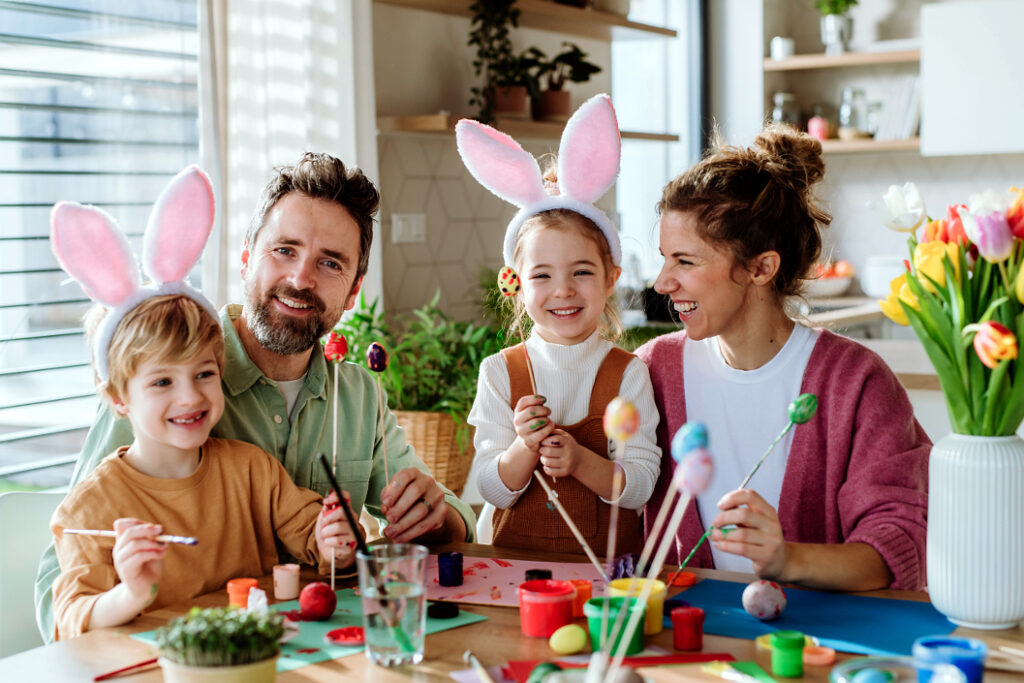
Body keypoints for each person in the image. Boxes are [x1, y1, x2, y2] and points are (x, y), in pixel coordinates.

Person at [35, 154, 475, 641]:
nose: (300, 278)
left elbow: (453, 521)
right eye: (284, 250)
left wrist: (437, 518)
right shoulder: (161, 378)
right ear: (246, 256)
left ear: (352, 293)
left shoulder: (357, 395)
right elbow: (56, 593)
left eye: (330, 263)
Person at [638, 126, 929, 592]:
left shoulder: (855, 383)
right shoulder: (650, 371)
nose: (662, 282)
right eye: (664, 258)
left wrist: (786, 558)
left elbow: (899, 544)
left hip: (812, 648)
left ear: (761, 268)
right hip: (683, 642)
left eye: (685, 262)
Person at [459, 95, 660, 553]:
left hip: (606, 579)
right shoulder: (498, 372)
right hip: (511, 575)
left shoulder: (628, 374)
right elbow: (491, 490)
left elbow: (642, 484)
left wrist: (581, 462)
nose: (563, 290)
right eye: (542, 275)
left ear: (611, 279)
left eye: (582, 272)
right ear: (515, 283)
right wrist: (523, 449)